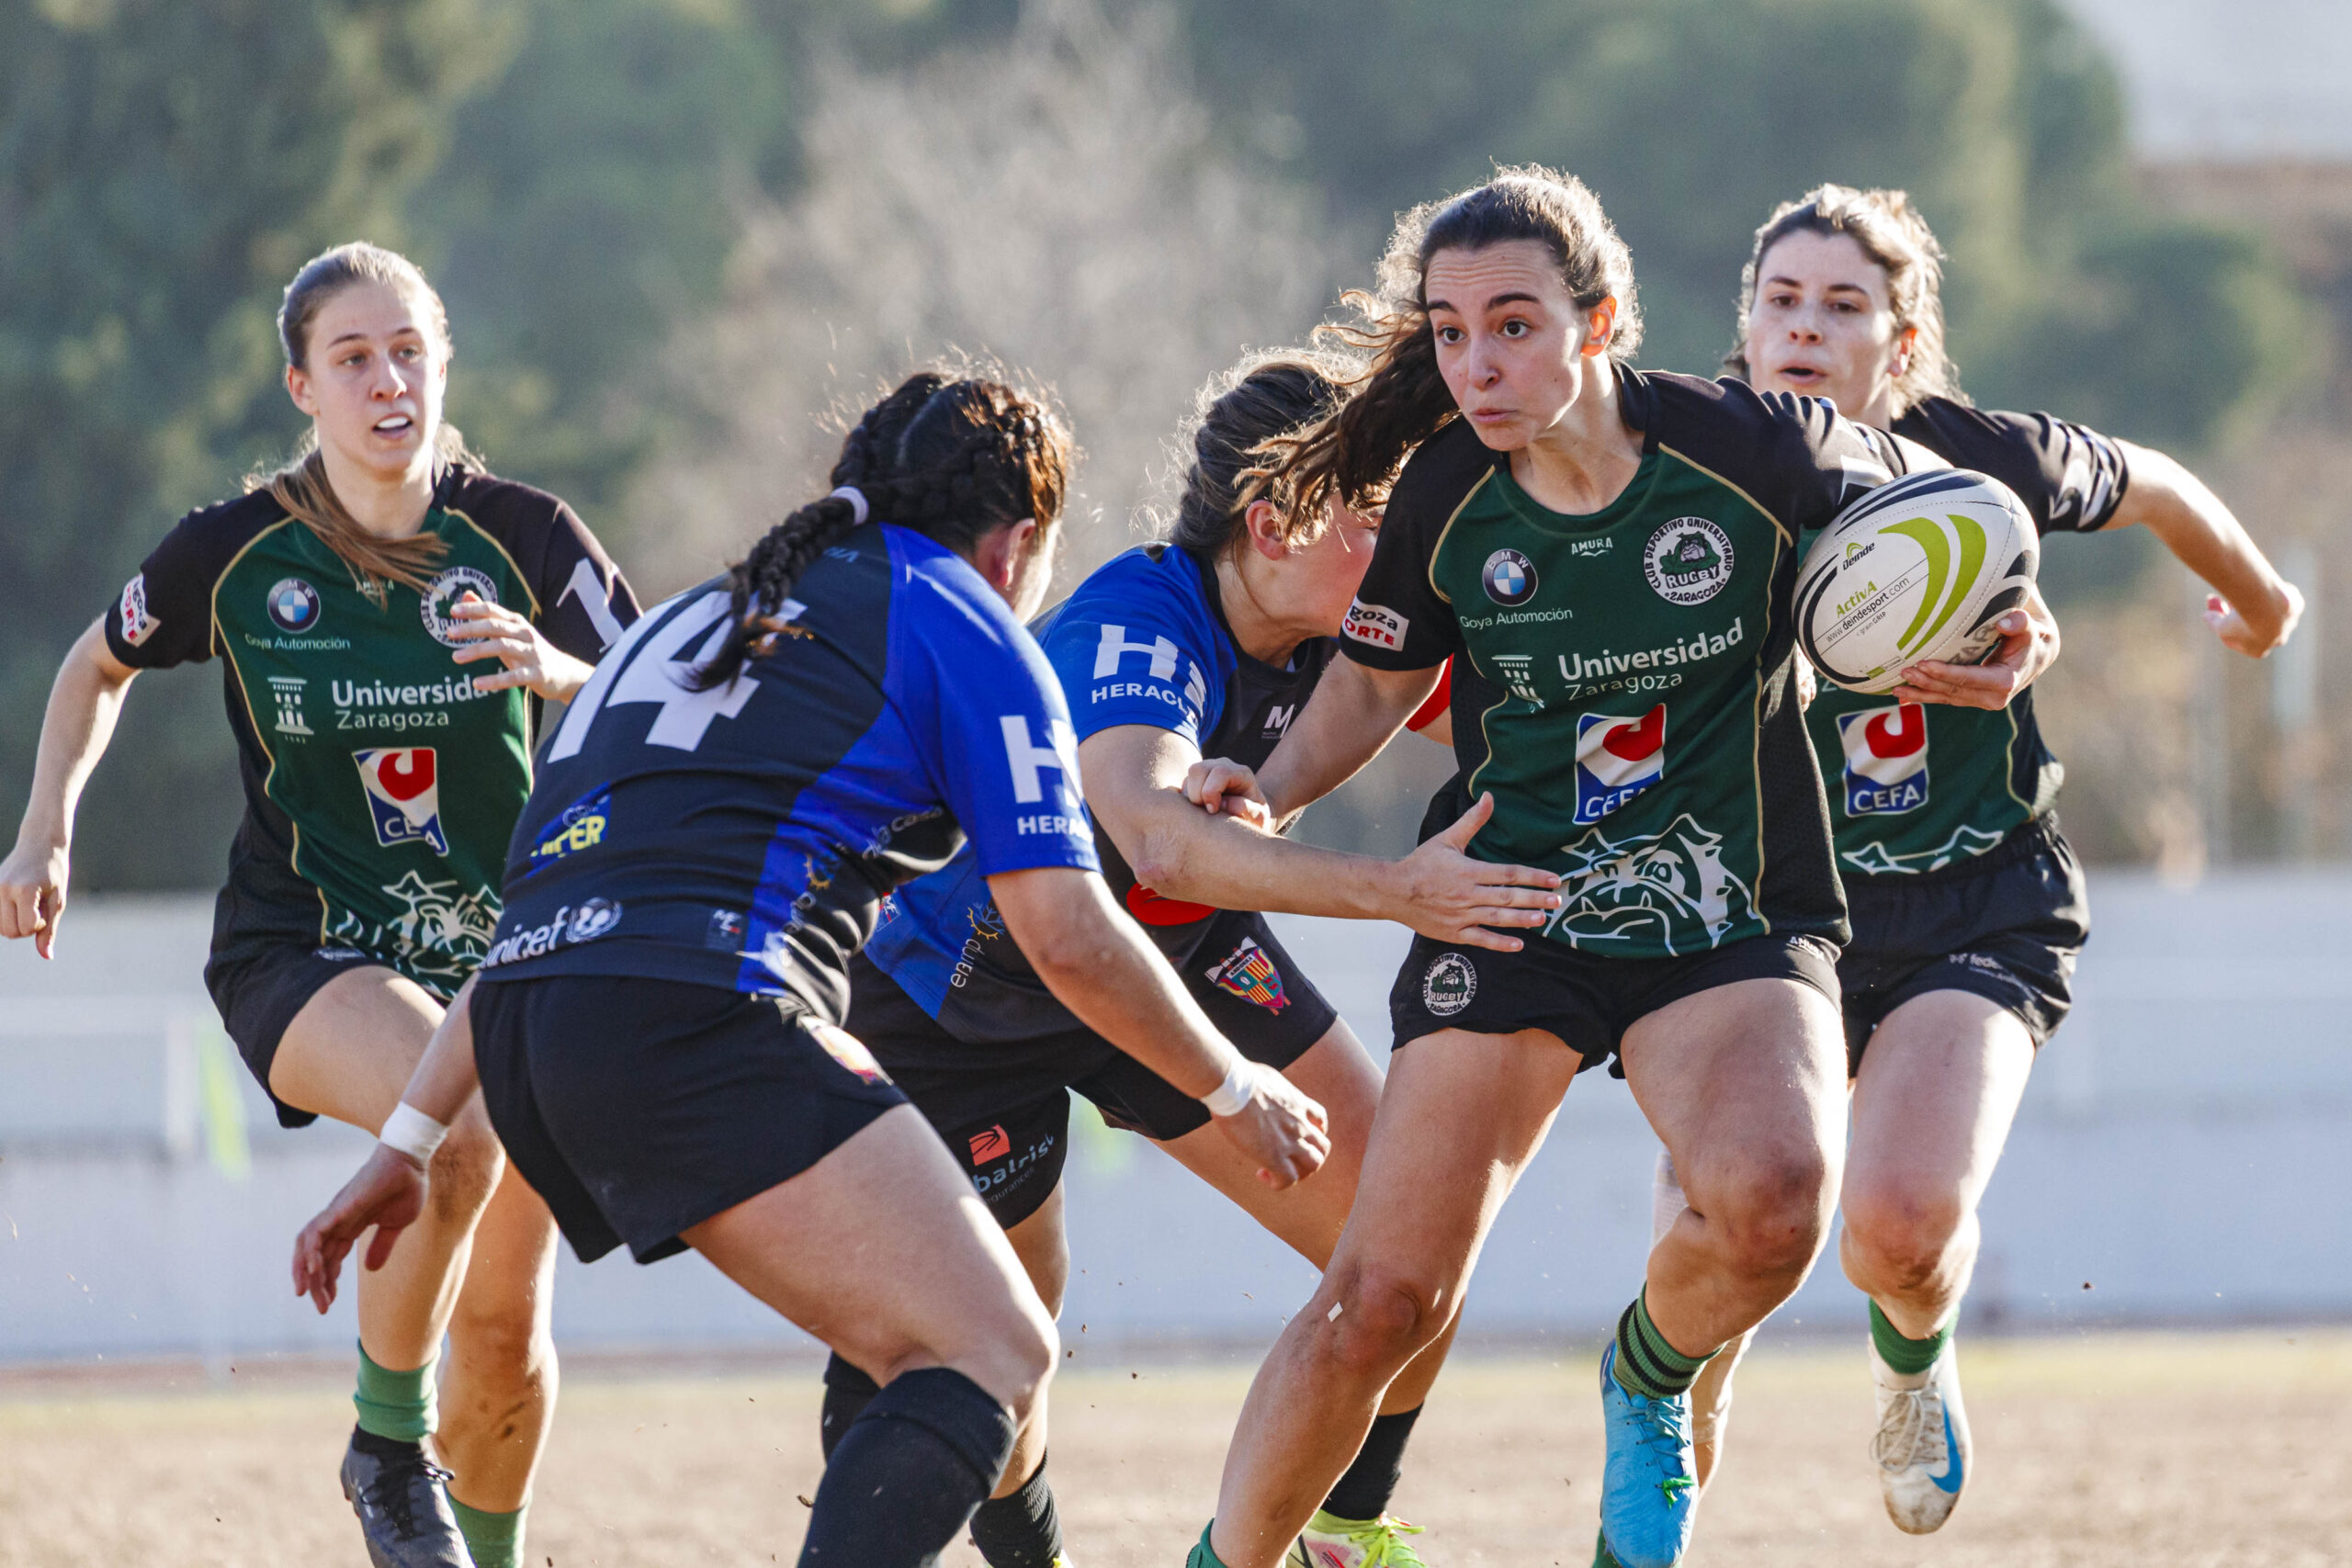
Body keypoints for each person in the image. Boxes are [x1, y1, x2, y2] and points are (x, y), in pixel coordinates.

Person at [288, 371, 1334, 1568]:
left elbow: (545, 916)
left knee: (939, 1344)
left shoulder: (691, 620)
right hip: (694, 1017)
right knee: (992, 1350)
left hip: (532, 1030)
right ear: (1021, 540)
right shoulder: (968, 622)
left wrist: (408, 1143)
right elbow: (1072, 936)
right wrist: (1235, 1088)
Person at [1170, 165, 2056, 1568]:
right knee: (1383, 1304)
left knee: (1773, 1209)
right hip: (1509, 905)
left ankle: (1648, 1370)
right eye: (1451, 332)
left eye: (1513, 324)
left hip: (1725, 914)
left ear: (1605, 320)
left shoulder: (1759, 449)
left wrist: (2009, 628)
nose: (1476, 364)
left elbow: (1948, 530)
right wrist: (1264, 789)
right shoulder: (1451, 494)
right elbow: (1366, 687)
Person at [1658, 182, 2305, 1535]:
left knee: (1898, 1227)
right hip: (1769, 910)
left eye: (1844, 306)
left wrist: (2262, 602)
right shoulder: (1688, 470)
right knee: (1717, 1244)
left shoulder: (1981, 462)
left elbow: (2163, 485)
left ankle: (1914, 1356)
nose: (1804, 328)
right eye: (1780, 300)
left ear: (1901, 342)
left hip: (1973, 893)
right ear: (1744, 322)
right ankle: (1673, 1398)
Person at [838, 352, 1552, 1568]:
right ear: (1272, 527)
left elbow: (1563, 678)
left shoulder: (1355, 627)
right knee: (1005, 1348)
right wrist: (1395, 892)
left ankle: (1336, 1531)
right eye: (1377, 519)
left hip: (1178, 953)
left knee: (1415, 1245)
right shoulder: (1139, 619)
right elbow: (1159, 844)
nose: (1406, 545)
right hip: (966, 995)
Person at [0, 242, 638, 1568]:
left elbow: (665, 701)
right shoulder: (235, 556)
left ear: (442, 366)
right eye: (354, 357)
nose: (387, 380)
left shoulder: (525, 540)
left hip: (504, 965)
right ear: (303, 385)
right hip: (306, 953)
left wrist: (559, 671)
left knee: (509, 1337)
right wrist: (45, 826)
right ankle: (383, 1444)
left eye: (409, 350)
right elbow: (92, 665)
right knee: (452, 1125)